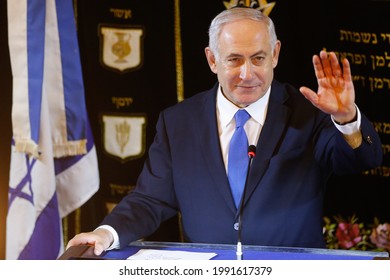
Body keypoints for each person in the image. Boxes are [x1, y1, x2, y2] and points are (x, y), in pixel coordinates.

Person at [67, 7, 383, 256]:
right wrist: (105, 234)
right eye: (234, 59)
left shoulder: (309, 114)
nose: (247, 74)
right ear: (212, 59)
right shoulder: (178, 122)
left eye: (259, 58)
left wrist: (346, 119)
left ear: (275, 54)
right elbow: (150, 199)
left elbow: (362, 159)